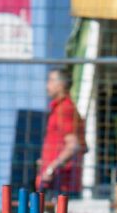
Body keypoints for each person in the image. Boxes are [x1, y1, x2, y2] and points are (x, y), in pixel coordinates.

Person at [36, 66, 84, 199]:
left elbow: (73, 146)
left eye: (51, 80)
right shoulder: (58, 108)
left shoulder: (65, 109)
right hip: (55, 183)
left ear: (61, 85)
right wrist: (45, 161)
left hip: (62, 185)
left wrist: (51, 168)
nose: (47, 86)